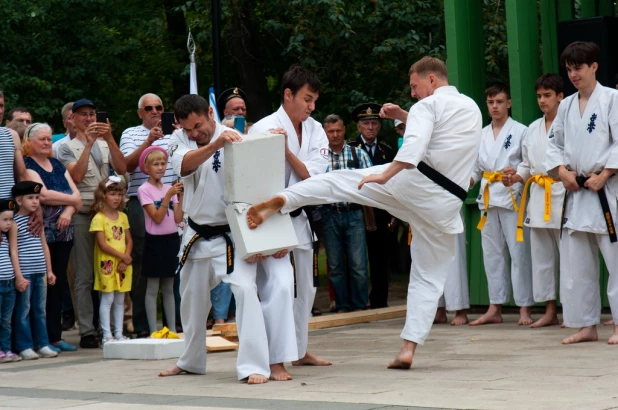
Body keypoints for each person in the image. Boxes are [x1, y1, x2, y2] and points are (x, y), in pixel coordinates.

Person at [247, 56, 482, 369]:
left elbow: (415, 143)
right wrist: (401, 114)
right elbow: (442, 135)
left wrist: (385, 174)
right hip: (447, 202)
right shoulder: (471, 108)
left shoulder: (427, 107)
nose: (413, 93)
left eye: (414, 86)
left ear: (432, 81)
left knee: (339, 182)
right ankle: (409, 347)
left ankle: (283, 200)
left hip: (414, 182)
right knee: (429, 276)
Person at [158, 94, 292, 384]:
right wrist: (214, 144)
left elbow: (258, 184)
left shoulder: (237, 138)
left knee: (245, 290)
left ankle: (254, 365)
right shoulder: (178, 140)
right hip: (195, 233)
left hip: (230, 236)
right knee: (191, 300)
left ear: (210, 112)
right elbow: (184, 167)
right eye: (188, 128)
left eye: (198, 125)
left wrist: (273, 140)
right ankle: (190, 361)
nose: (195, 133)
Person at [248, 65, 332, 368]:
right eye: (307, 100)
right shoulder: (262, 129)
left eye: (314, 101)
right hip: (272, 218)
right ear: (288, 94)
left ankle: (298, 350)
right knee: (280, 287)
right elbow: (255, 185)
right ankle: (276, 357)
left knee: (307, 288)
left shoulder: (316, 129)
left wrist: (285, 151)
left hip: (301, 216)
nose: (311, 107)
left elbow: (312, 175)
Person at [545, 41, 618, 344]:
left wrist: (605, 174)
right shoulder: (565, 105)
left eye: (578, 68)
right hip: (576, 192)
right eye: (569, 69)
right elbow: (552, 144)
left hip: (605, 191)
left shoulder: (612, 99)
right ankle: (586, 324)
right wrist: (561, 171)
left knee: (615, 261)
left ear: (594, 67)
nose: (573, 74)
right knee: (577, 265)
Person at [382, 106, 470, 326]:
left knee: (450, 257)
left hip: (444, 197)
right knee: (423, 260)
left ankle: (459, 309)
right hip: (419, 202)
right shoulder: (406, 144)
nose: (404, 131)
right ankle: (436, 309)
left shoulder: (440, 132)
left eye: (405, 125)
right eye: (400, 129)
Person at [57, 98, 127, 348]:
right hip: (83, 212)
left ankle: (107, 328)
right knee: (84, 275)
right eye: (83, 115)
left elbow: (121, 167)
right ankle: (87, 330)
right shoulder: (64, 146)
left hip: (108, 214)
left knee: (108, 270)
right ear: (72, 119)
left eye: (92, 114)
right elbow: (75, 177)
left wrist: (110, 139)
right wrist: (87, 144)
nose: (88, 119)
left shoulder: (104, 143)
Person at [501, 74, 565, 328]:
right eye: (539, 96)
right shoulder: (532, 129)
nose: (542, 100)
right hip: (538, 196)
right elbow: (527, 164)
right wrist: (515, 177)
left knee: (570, 258)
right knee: (542, 258)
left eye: (547, 95)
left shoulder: (569, 124)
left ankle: (574, 310)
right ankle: (550, 310)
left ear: (560, 96)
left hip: (563, 193)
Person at [468, 83, 534, 326]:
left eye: (499, 102)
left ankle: (524, 308)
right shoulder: (481, 134)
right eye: (490, 103)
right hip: (487, 197)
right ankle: (495, 306)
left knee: (519, 254)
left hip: (511, 196)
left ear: (509, 103)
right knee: (491, 256)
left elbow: (528, 163)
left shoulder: (521, 131)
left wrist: (515, 174)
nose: (494, 106)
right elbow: (475, 167)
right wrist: (469, 181)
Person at [119, 93, 177, 338]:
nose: (155, 111)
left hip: (174, 199)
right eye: (149, 108)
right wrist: (148, 142)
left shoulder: (176, 131)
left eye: (159, 107)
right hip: (140, 200)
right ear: (140, 112)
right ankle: (143, 324)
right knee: (143, 262)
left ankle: (176, 324)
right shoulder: (130, 134)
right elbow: (125, 166)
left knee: (175, 260)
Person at [24, 123, 82, 352]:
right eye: (42, 139)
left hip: (64, 232)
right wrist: (71, 201)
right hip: (41, 234)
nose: (47, 143)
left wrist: (68, 211)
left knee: (58, 285)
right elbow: (43, 194)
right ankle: (40, 338)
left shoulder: (57, 164)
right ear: (30, 141)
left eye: (49, 139)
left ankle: (55, 336)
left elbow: (76, 194)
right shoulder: (28, 166)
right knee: (42, 285)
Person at [321, 114, 372, 312]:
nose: (334, 135)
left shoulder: (358, 154)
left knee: (358, 263)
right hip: (329, 214)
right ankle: (342, 306)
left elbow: (372, 181)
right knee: (334, 265)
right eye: (330, 131)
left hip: (354, 213)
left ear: (344, 130)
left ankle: (360, 305)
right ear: (325, 133)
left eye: (338, 130)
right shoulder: (319, 157)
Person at [350, 103, 396, 309]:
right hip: (357, 210)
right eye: (366, 123)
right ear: (359, 127)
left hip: (381, 211)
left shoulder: (387, 150)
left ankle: (379, 300)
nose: (370, 127)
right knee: (355, 260)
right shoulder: (349, 148)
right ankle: (355, 302)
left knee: (380, 258)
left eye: (374, 123)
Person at [137, 146, 183, 334]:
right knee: (153, 286)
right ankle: (152, 330)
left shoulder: (168, 189)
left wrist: (181, 196)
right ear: (147, 168)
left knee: (169, 286)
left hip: (171, 239)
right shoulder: (144, 189)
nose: (160, 167)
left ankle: (171, 329)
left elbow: (178, 218)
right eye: (156, 164)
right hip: (154, 242)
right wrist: (168, 196)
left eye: (163, 164)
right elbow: (156, 217)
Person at [11, 181, 58, 360]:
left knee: (40, 309)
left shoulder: (37, 221)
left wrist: (50, 270)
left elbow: (44, 246)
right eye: (30, 198)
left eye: (37, 198)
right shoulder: (14, 222)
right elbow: (13, 250)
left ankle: (42, 343)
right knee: (24, 310)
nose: (35, 202)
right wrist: (19, 275)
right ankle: (24, 346)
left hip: (40, 272)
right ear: (19, 200)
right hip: (26, 273)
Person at [89, 176, 133, 345]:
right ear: (103, 195)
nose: (116, 198)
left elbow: (129, 240)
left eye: (119, 194)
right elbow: (102, 244)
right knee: (107, 298)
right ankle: (107, 335)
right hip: (107, 264)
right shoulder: (99, 218)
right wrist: (122, 256)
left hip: (122, 265)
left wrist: (126, 259)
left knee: (120, 299)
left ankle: (119, 333)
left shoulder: (122, 216)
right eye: (113, 194)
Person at [0, 199, 21, 362]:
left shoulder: (6, 237)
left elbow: (13, 254)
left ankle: (7, 349)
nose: (9, 223)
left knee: (6, 320)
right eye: (5, 220)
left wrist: (17, 277)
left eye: (11, 219)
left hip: (9, 281)